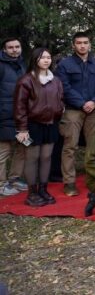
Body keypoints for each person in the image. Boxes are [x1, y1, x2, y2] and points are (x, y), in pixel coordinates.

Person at [56, 31, 95, 197]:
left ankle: (93, 178)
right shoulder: (65, 64)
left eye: (85, 42)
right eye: (79, 43)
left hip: (94, 110)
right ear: (73, 45)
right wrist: (81, 103)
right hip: (73, 110)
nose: (82, 46)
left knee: (94, 146)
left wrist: (94, 101)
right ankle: (69, 182)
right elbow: (64, 87)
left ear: (90, 45)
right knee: (70, 146)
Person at [13, 48, 63, 206]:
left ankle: (43, 189)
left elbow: (60, 99)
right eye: (42, 57)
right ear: (35, 60)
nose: (46, 60)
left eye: (49, 57)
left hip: (51, 123)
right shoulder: (26, 80)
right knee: (32, 158)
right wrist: (22, 128)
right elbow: (19, 106)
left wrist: (59, 110)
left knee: (46, 157)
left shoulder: (56, 80)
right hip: (32, 125)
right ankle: (32, 192)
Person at [0, 37, 27, 196]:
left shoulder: (22, 64)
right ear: (4, 50)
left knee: (23, 146)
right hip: (4, 114)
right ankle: (1, 184)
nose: (14, 50)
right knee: (3, 151)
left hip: (21, 115)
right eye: (10, 47)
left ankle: (14, 178)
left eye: (17, 46)